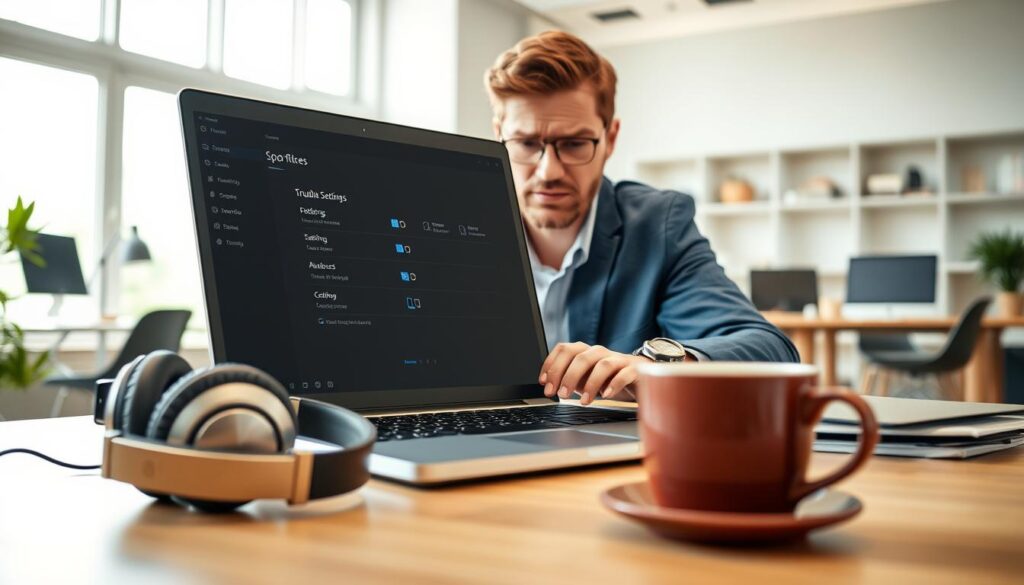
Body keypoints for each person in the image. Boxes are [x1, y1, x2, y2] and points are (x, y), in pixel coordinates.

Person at [484, 30, 799, 405]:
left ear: (611, 138)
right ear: (498, 135)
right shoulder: (459, 225)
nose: (549, 170)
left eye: (573, 143)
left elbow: (769, 350)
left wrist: (661, 366)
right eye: (526, 143)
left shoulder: (658, 225)